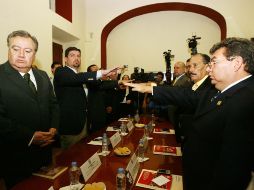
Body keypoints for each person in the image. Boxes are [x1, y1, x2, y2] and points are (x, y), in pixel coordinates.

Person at [124, 37, 254, 189]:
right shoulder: (223, 90)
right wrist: (150, 88)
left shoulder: (247, 100)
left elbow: (233, 166)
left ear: (237, 63)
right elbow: (187, 95)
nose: (209, 68)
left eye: (214, 62)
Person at [0, 30, 59, 188]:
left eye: (27, 51)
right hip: (16, 156)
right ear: (8, 49)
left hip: (45, 152)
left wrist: (54, 127)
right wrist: (31, 136)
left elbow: (53, 104)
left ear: (34, 54)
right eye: (15, 49)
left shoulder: (43, 75)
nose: (21, 55)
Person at [54, 47, 118, 149]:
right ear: (65, 59)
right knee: (72, 158)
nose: (76, 58)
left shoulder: (79, 75)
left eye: (78, 56)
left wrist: (117, 82)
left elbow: (100, 85)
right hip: (71, 125)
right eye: (72, 55)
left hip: (84, 123)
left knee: (82, 155)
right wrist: (101, 72)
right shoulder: (61, 71)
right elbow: (76, 78)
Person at [86, 64, 119, 133]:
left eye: (98, 70)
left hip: (102, 113)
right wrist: (118, 82)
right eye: (95, 70)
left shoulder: (100, 82)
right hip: (95, 115)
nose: (98, 71)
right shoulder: (91, 81)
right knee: (95, 134)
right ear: (90, 74)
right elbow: (103, 85)